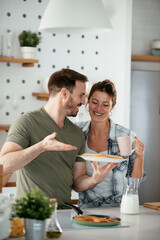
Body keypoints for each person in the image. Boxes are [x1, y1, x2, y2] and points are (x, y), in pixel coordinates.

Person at [0, 69, 118, 208]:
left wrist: (94, 180)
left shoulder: (76, 133)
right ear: (64, 93)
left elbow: (78, 181)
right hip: (31, 213)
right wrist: (40, 147)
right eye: (80, 95)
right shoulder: (26, 122)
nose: (83, 101)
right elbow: (4, 165)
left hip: (64, 213)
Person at [76, 79, 146, 208]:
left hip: (118, 207)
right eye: (94, 102)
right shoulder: (77, 132)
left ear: (112, 106)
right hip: (86, 208)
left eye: (105, 104)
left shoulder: (124, 135)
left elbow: (133, 181)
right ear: (88, 102)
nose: (98, 109)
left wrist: (140, 157)